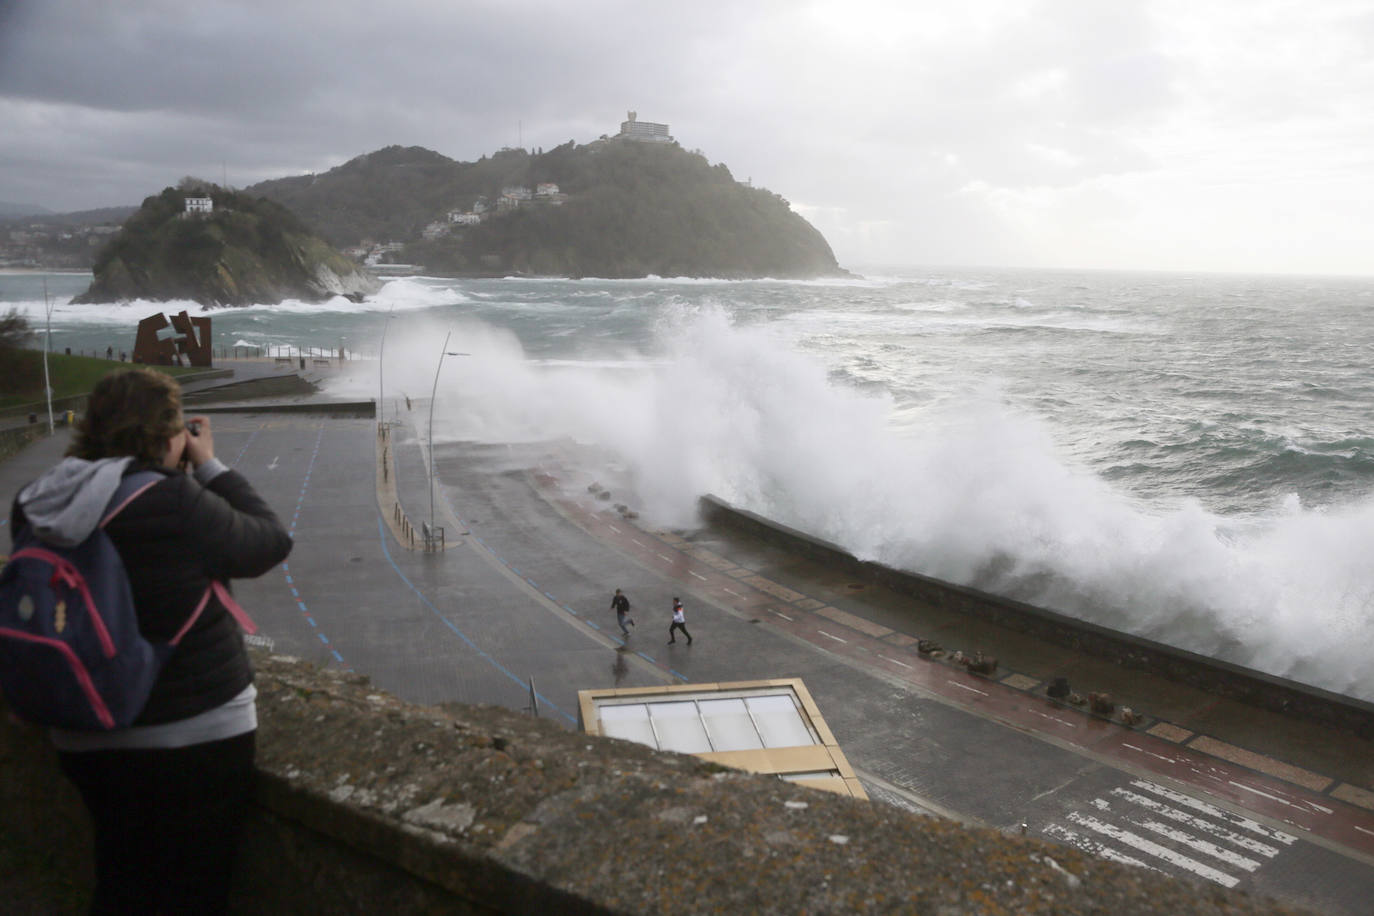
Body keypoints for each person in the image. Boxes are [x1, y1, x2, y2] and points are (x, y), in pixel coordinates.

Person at [8, 368, 292, 915]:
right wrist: (208, 464)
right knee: (195, 890)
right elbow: (269, 541)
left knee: (120, 880)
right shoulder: (174, 501)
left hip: (81, 730)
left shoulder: (38, 501)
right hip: (196, 733)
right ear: (167, 436)